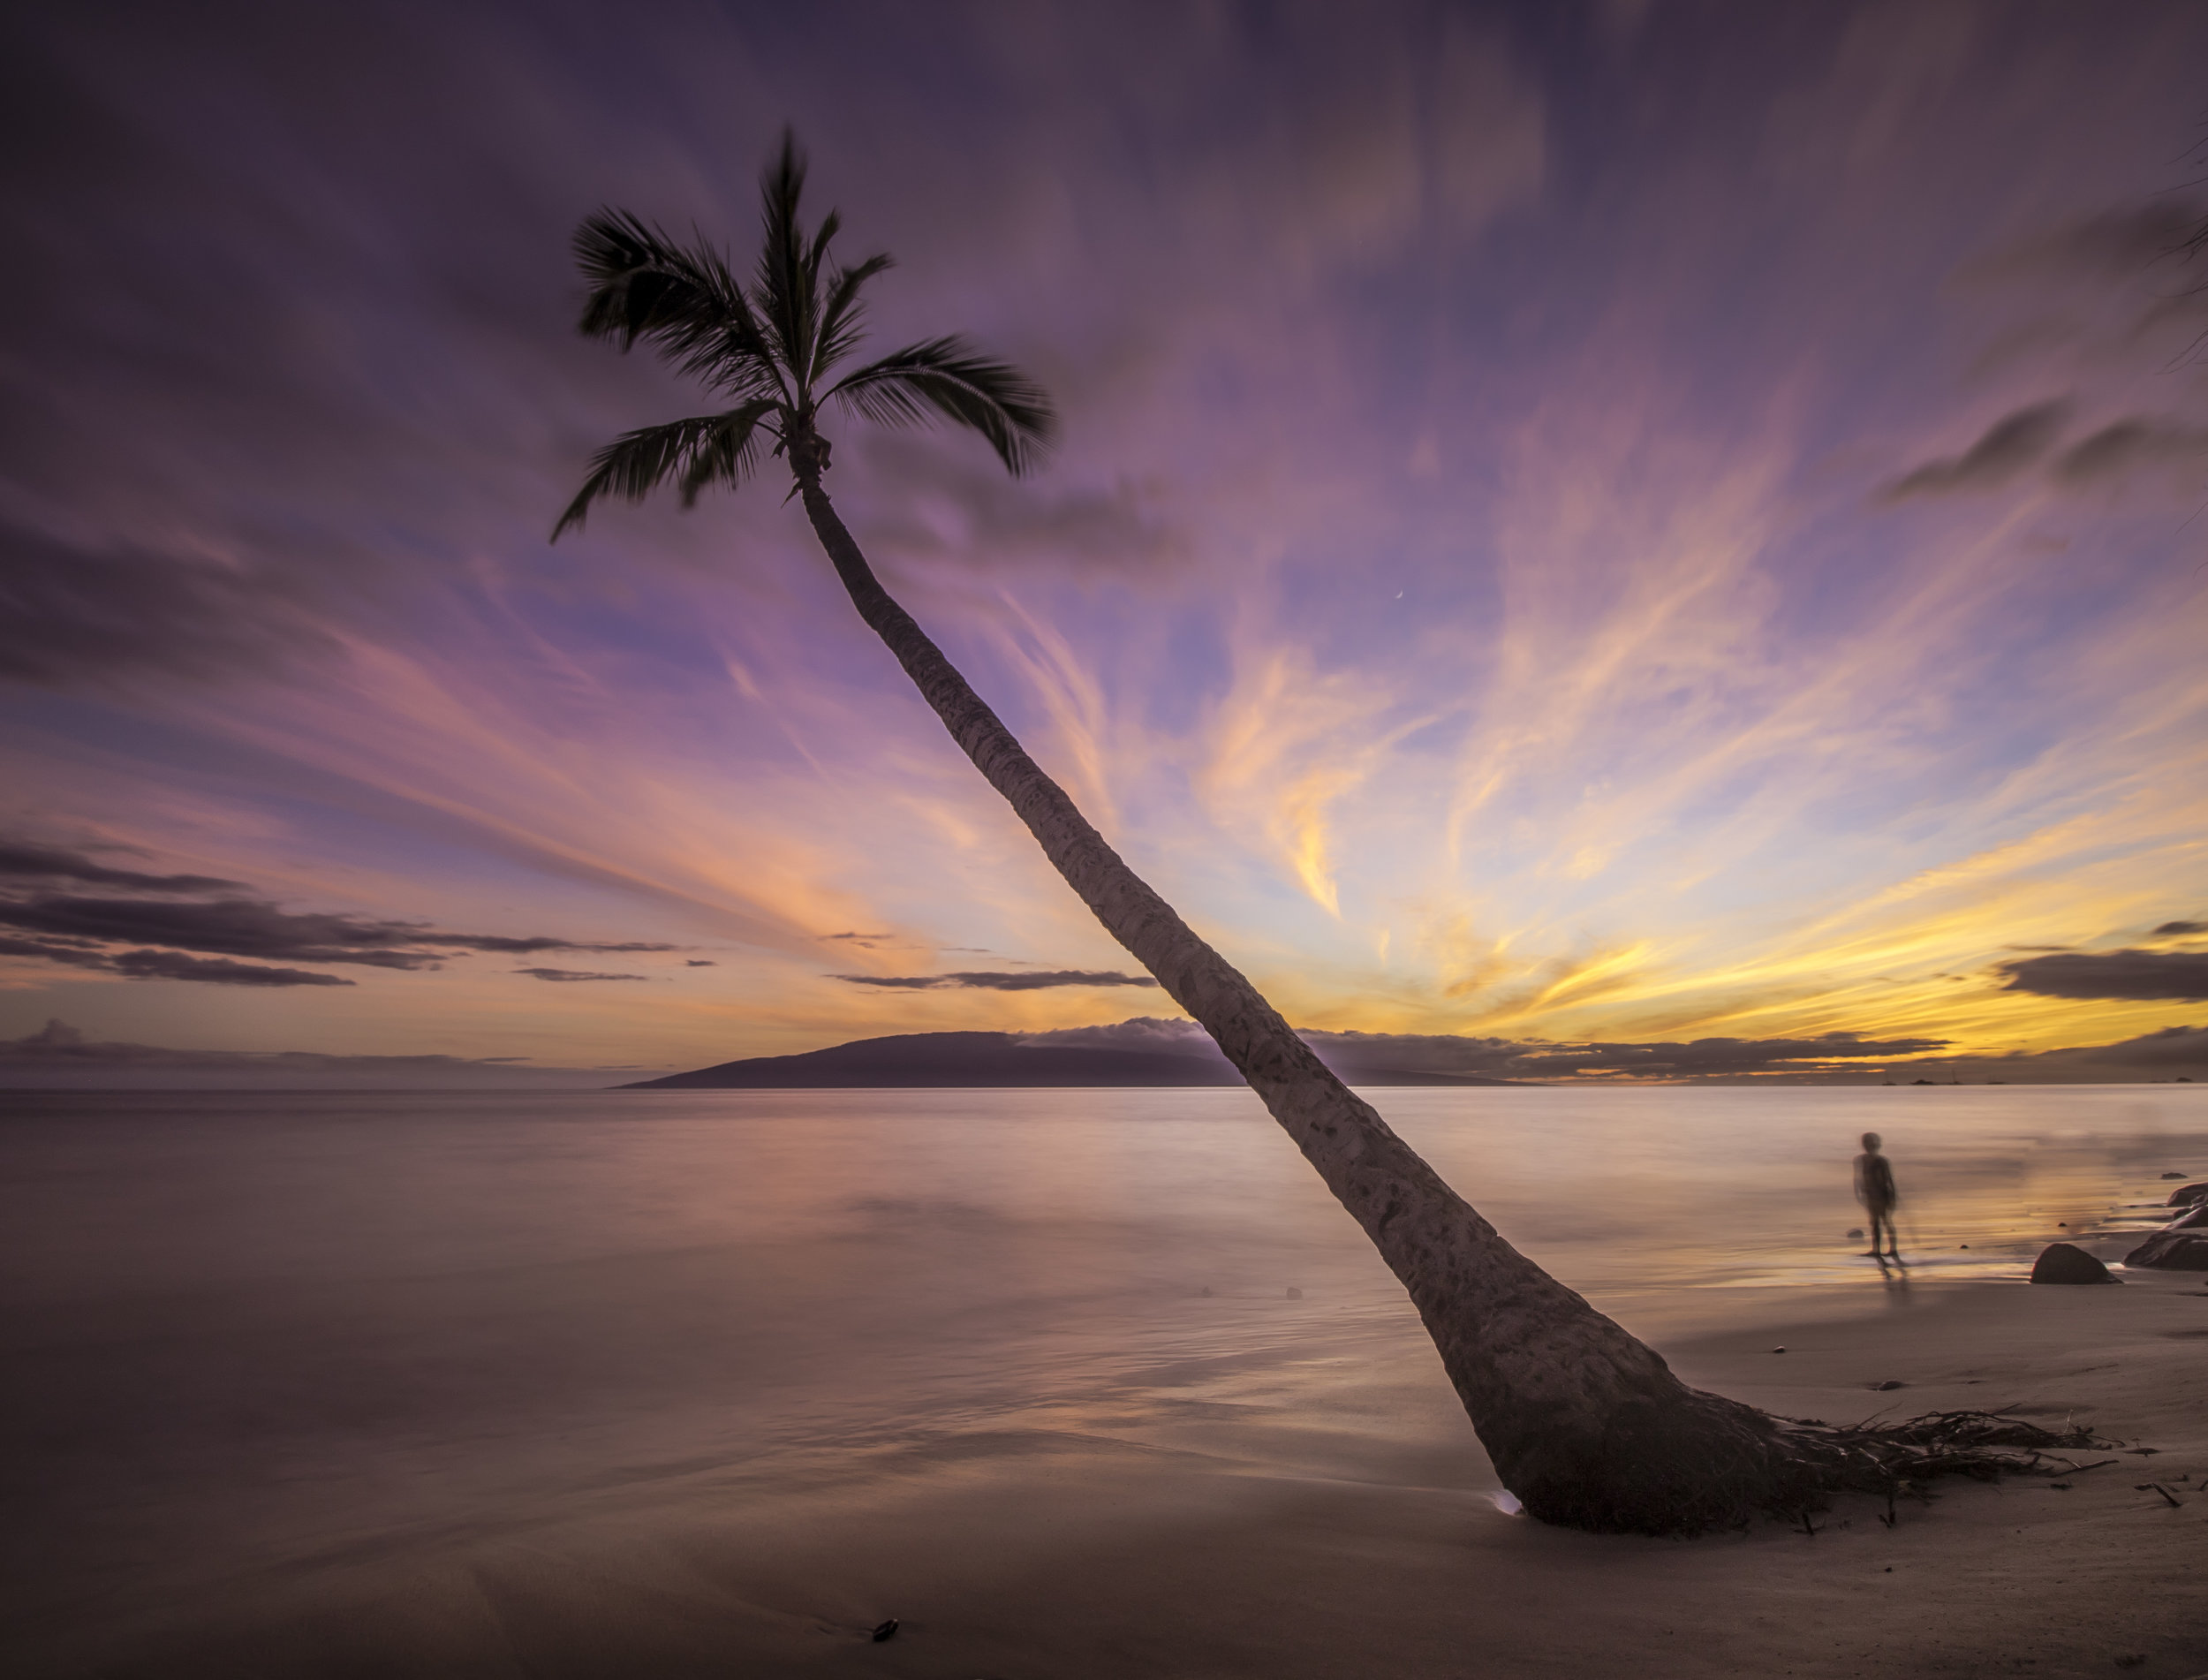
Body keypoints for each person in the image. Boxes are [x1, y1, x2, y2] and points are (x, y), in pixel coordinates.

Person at [1854, 1132, 1900, 1260]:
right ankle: (1876, 1249)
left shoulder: (1881, 1161)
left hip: (1882, 1195)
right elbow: (1858, 1178)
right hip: (1870, 1195)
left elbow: (1889, 1180)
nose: (1868, 1146)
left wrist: (1893, 1196)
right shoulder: (1861, 1160)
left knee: (1886, 1221)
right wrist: (1858, 1192)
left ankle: (1893, 1249)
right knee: (1874, 1223)